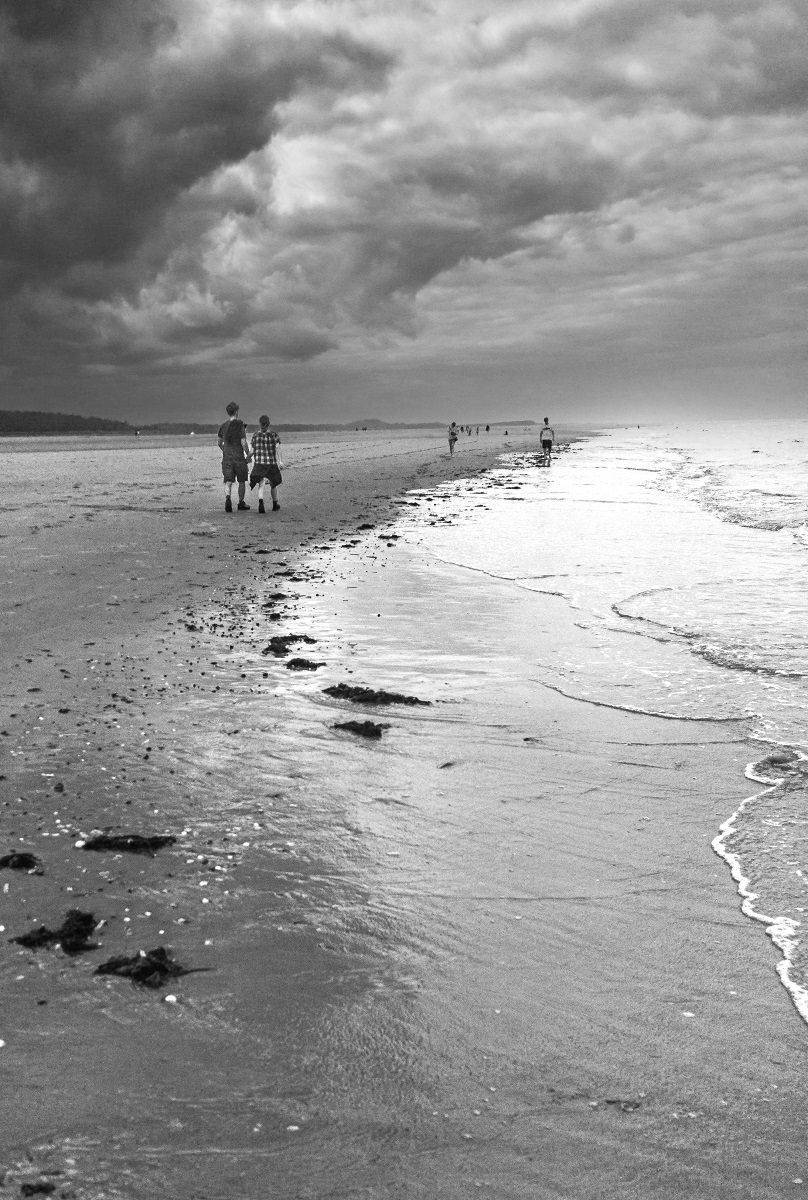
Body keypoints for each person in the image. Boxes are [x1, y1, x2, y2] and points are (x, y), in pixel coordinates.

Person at [217, 401, 251, 512]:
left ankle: (228, 497)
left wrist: (225, 450)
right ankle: (241, 502)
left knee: (228, 480)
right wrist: (248, 454)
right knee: (242, 480)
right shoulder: (240, 425)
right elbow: (243, 442)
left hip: (227, 458)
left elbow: (219, 442)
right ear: (236, 411)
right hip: (239, 457)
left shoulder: (223, 426)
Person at [249, 415, 283, 513]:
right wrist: (280, 461)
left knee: (261, 483)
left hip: (259, 463)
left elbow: (252, 451)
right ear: (268, 424)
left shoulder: (255, 435)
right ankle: (275, 503)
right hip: (271, 464)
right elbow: (278, 449)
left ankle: (261, 503)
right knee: (273, 483)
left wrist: (247, 459)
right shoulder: (273, 435)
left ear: (260, 424)